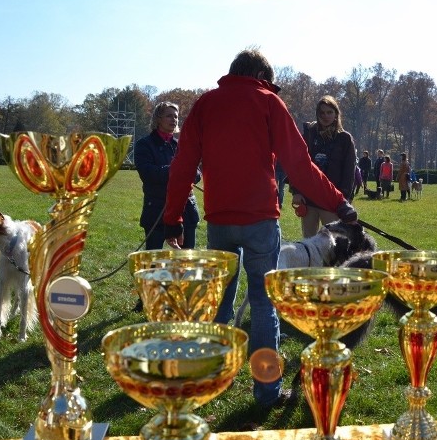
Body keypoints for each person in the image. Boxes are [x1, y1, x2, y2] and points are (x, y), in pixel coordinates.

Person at [162, 48, 358, 409]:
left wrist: (173, 219)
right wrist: (338, 202)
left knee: (221, 302)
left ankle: (212, 378)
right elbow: (299, 164)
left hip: (219, 220)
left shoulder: (206, 104)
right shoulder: (268, 102)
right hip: (260, 221)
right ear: (262, 77)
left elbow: (183, 166)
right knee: (264, 305)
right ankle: (267, 391)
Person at [134, 101, 200, 249]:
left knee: (187, 264)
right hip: (156, 210)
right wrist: (178, 171)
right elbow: (148, 173)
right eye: (169, 116)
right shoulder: (144, 145)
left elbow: (196, 173)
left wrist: (184, 172)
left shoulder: (181, 145)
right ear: (158, 119)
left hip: (187, 210)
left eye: (176, 116)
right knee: (153, 265)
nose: (174, 119)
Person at [291, 96, 356, 238]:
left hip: (332, 199)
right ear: (317, 114)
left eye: (329, 112)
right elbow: (297, 163)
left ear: (336, 114)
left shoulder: (344, 138)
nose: (326, 116)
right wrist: (295, 191)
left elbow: (349, 171)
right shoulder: (309, 134)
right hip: (308, 198)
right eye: (322, 113)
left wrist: (345, 199)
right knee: (309, 242)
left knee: (333, 243)